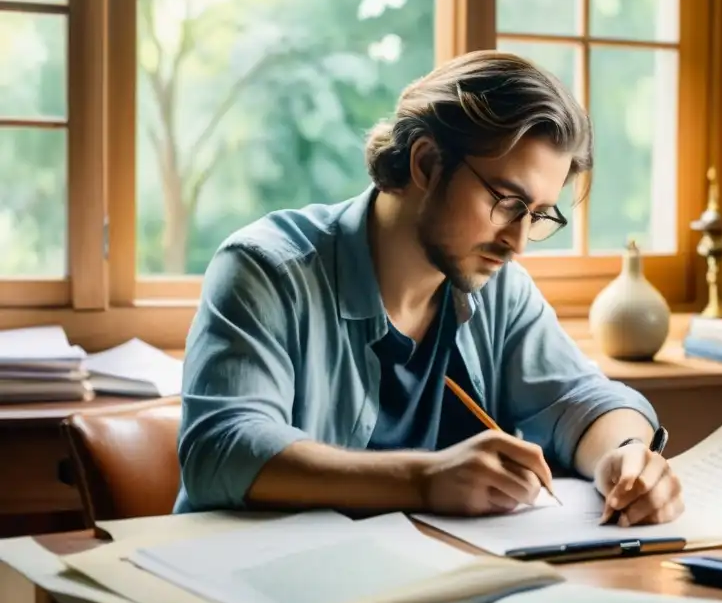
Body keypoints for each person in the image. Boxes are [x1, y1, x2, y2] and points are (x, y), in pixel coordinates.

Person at [174, 50, 685, 527]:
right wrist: (424, 480)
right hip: (251, 592)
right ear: (424, 163)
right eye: (507, 203)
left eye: (538, 216)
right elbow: (223, 449)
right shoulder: (267, 271)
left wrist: (627, 454)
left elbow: (582, 398)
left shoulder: (499, 289)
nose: (518, 242)